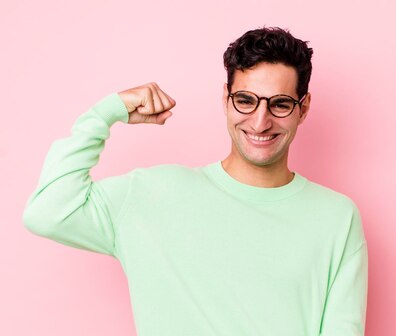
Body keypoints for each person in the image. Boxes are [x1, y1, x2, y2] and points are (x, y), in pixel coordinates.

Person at [22, 26, 368, 336]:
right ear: (225, 99)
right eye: (245, 101)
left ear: (303, 108)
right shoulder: (150, 195)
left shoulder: (336, 217)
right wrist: (105, 113)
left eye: (279, 104)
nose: (260, 122)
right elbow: (48, 211)